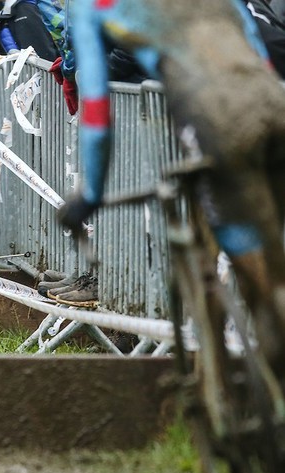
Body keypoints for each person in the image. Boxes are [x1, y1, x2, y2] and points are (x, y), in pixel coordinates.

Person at [59, 0, 285, 374]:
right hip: (274, 103)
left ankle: (235, 389)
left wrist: (91, 194)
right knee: (275, 260)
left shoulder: (89, 6)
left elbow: (96, 108)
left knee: (249, 266)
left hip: (214, 120)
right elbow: (257, 50)